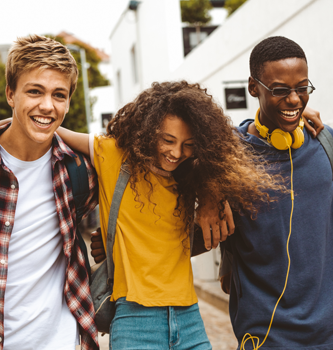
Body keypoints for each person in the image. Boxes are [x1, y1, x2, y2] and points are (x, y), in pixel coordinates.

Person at [56, 80, 285, 350]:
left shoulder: (192, 176)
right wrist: (18, 121)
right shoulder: (114, 156)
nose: (177, 153)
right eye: (168, 140)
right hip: (134, 321)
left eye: (188, 144)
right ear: (148, 131)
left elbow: (236, 142)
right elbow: (53, 130)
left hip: (189, 318)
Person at [221, 36, 333, 350]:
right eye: (281, 90)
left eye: (302, 88)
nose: (295, 100)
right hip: (265, 338)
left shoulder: (326, 145)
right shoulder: (228, 157)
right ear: (253, 87)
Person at [0, 35, 99, 350]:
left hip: (64, 342)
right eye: (34, 91)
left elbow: (151, 159)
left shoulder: (78, 170)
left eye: (59, 95)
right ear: (10, 94)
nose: (47, 105)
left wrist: (211, 196)